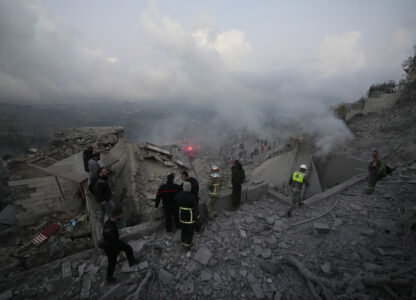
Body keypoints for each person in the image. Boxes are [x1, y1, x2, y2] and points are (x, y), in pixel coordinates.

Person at [102, 206, 137, 283]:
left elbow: (114, 239)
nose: (122, 215)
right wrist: (118, 251)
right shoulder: (109, 227)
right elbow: (109, 242)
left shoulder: (111, 222)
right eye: (121, 214)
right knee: (112, 263)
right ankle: (109, 278)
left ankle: (132, 262)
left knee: (128, 248)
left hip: (115, 242)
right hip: (110, 247)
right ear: (117, 215)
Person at [175, 181, 199, 251]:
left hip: (182, 216)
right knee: (190, 231)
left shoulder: (178, 195)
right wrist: (198, 218)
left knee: (183, 230)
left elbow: (176, 202)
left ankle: (183, 242)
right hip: (190, 218)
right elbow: (196, 209)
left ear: (183, 187)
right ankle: (187, 245)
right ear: (190, 188)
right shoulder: (193, 197)